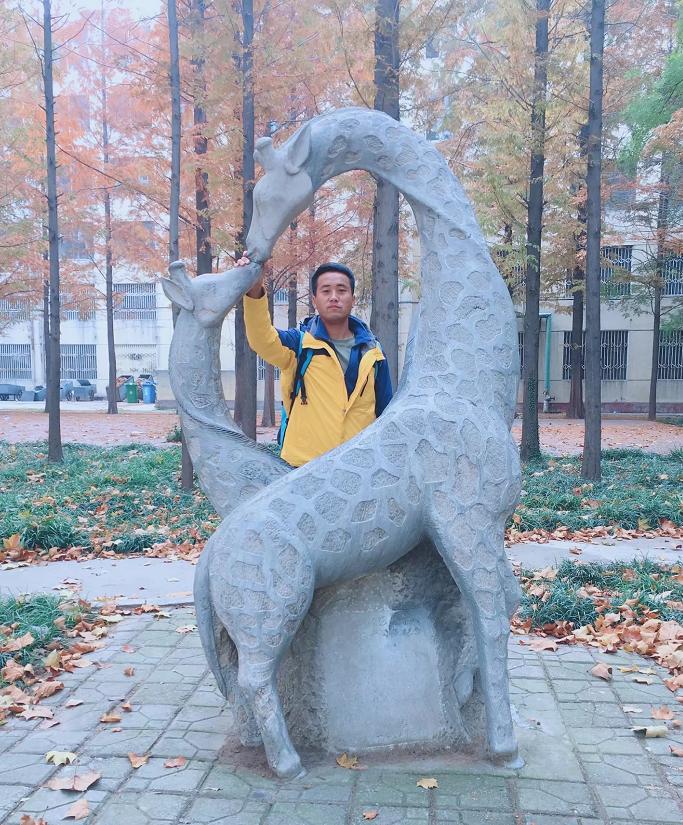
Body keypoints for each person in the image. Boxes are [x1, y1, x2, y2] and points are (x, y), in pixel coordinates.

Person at [238, 257, 393, 467]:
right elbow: (262, 339)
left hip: (357, 470)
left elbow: (385, 414)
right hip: (303, 469)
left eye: (341, 290)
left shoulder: (374, 353)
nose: (334, 297)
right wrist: (254, 291)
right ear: (314, 300)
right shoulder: (299, 345)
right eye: (326, 291)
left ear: (353, 299)